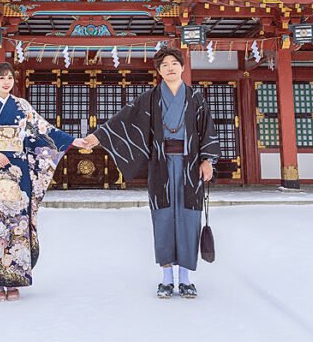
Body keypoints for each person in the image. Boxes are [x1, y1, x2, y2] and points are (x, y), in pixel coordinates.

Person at [80, 47, 218, 299]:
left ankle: (186, 278)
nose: (170, 68)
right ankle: (166, 278)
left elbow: (206, 129)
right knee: (163, 217)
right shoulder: (150, 98)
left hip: (190, 167)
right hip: (162, 166)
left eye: (174, 63)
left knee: (189, 218)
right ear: (158, 70)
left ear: (183, 67)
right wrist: (97, 137)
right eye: (164, 65)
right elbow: (124, 120)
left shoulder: (196, 97)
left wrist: (207, 160)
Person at [0, 61, 89, 301]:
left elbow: (44, 131)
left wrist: (73, 141)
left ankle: (14, 281)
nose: (6, 82)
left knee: (17, 222)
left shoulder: (22, 107)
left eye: (10, 78)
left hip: (19, 170)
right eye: (1, 78)